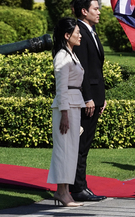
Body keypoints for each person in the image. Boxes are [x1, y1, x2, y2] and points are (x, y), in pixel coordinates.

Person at [69, 0, 107, 202]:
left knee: (85, 144)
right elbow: (81, 68)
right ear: (84, 11)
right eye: (95, 8)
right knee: (81, 144)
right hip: (87, 99)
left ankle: (80, 186)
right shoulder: (79, 32)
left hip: (96, 97)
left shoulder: (90, 32)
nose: (99, 12)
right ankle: (78, 188)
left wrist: (102, 96)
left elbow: (96, 68)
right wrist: (88, 97)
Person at [47, 17, 85, 207]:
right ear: (67, 35)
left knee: (70, 152)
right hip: (66, 108)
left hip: (73, 106)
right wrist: (64, 114)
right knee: (63, 150)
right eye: (76, 32)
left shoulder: (72, 55)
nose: (80, 35)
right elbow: (61, 88)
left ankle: (65, 192)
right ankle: (62, 193)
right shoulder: (62, 56)